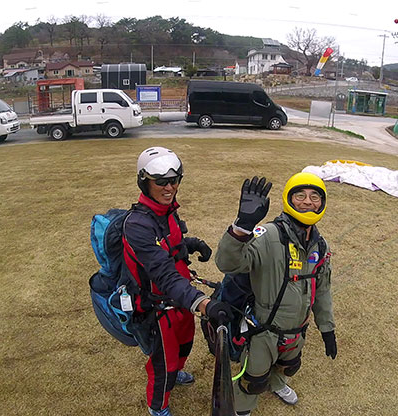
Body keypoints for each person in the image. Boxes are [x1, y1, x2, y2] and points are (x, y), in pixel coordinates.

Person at [123, 146, 233, 416]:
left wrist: (192, 244)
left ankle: (177, 372)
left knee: (184, 346)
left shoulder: (166, 211)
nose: (169, 187)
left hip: (182, 300)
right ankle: (157, 407)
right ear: (144, 182)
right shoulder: (136, 225)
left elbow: (168, 244)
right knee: (163, 364)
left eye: (175, 180)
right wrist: (204, 304)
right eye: (160, 181)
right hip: (158, 309)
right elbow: (162, 272)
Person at [215, 173, 337, 416]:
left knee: (288, 365)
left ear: (322, 203)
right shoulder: (268, 235)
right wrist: (242, 228)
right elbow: (228, 263)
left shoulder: (320, 245)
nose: (307, 202)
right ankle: (242, 410)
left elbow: (322, 290)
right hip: (264, 331)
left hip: (298, 330)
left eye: (315, 197)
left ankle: (278, 384)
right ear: (288, 199)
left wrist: (327, 328)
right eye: (300, 195)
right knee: (253, 379)